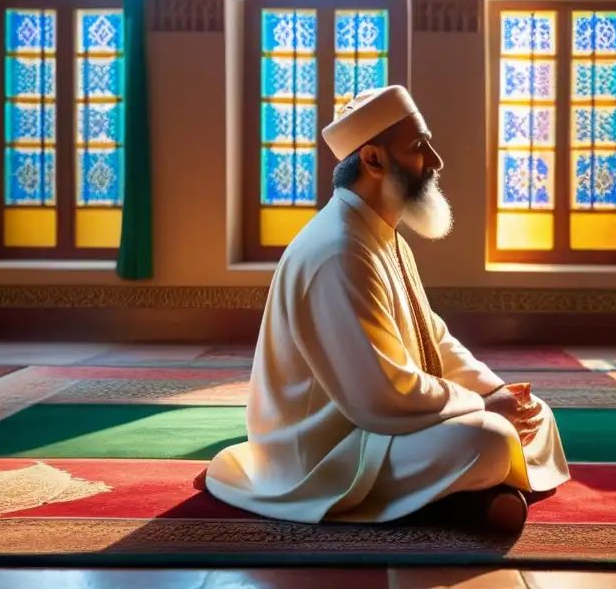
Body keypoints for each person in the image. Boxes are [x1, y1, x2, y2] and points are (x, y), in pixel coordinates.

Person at [205, 85, 570, 531]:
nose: (435, 160)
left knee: (534, 414)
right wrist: (483, 406)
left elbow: (433, 339)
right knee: (490, 440)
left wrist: (498, 393)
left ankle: (464, 496)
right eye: (419, 147)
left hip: (383, 426)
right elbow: (381, 395)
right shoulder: (339, 249)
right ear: (374, 160)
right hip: (332, 446)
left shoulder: (381, 234)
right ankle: (467, 495)